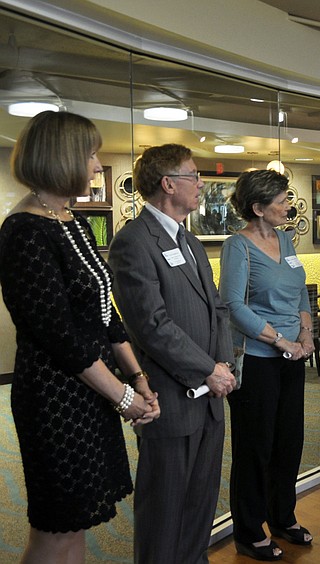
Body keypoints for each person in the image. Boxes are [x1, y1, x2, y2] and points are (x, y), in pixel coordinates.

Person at [0, 111, 159, 563]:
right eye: (91, 154)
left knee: (80, 523)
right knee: (56, 528)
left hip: (91, 393)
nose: (96, 166)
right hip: (55, 399)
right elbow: (60, 337)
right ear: (62, 157)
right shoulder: (25, 231)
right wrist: (123, 398)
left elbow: (105, 313)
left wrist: (137, 378)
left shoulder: (74, 221)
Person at [108, 144, 238, 564]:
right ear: (168, 184)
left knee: (200, 505)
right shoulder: (133, 242)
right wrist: (207, 370)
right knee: (163, 511)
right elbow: (150, 325)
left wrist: (224, 364)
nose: (201, 184)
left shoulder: (190, 239)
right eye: (193, 176)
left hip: (210, 400)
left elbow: (216, 308)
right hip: (170, 400)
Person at [219, 169, 314, 560]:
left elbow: (299, 293)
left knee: (289, 443)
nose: (287, 205)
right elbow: (233, 307)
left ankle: (282, 516)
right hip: (257, 361)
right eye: (281, 200)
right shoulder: (237, 247)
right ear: (257, 208)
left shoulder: (285, 240)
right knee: (255, 448)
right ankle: (248, 529)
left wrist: (306, 336)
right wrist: (281, 341)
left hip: (293, 357)